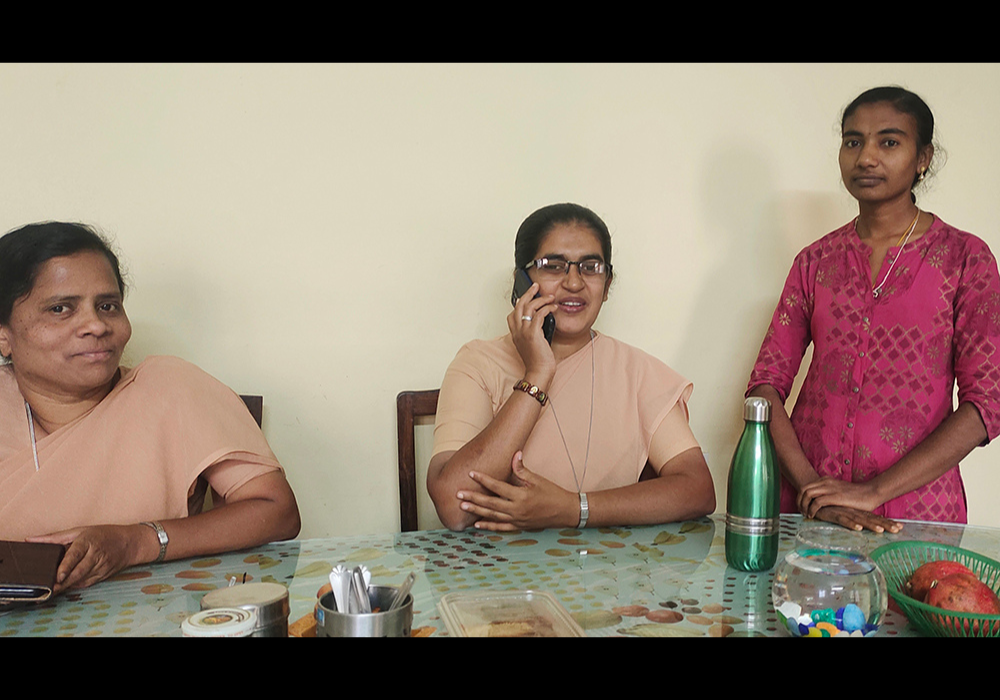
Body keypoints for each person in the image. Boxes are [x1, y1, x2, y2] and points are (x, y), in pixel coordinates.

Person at [747, 86, 1000, 533]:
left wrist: (873, 491)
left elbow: (987, 403)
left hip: (916, 515)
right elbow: (764, 385)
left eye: (889, 142)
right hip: (806, 510)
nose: (866, 157)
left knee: (909, 606)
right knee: (793, 605)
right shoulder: (815, 261)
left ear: (923, 157)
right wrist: (813, 491)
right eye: (852, 141)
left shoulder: (966, 259)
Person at [0, 222, 301, 592]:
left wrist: (135, 542)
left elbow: (277, 510)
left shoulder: (167, 389)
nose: (96, 325)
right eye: (61, 308)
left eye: (108, 306)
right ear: (4, 335)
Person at [427, 203, 715, 532]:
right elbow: (454, 506)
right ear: (521, 281)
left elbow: (698, 489)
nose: (574, 283)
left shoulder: (638, 372)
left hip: (608, 573)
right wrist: (537, 375)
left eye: (591, 267)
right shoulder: (478, 363)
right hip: (501, 577)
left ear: (607, 286)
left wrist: (573, 509)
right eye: (553, 266)